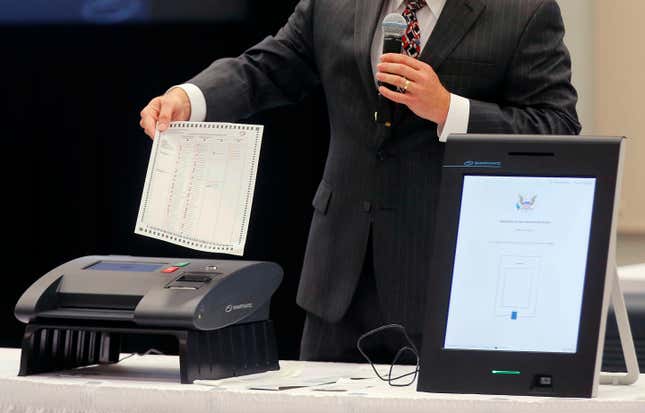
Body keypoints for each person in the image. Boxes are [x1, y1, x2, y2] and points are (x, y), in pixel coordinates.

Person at [140, 0, 580, 363]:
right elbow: (266, 68)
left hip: (448, 282)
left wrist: (450, 110)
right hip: (338, 284)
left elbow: (558, 125)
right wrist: (190, 97)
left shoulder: (523, 11)